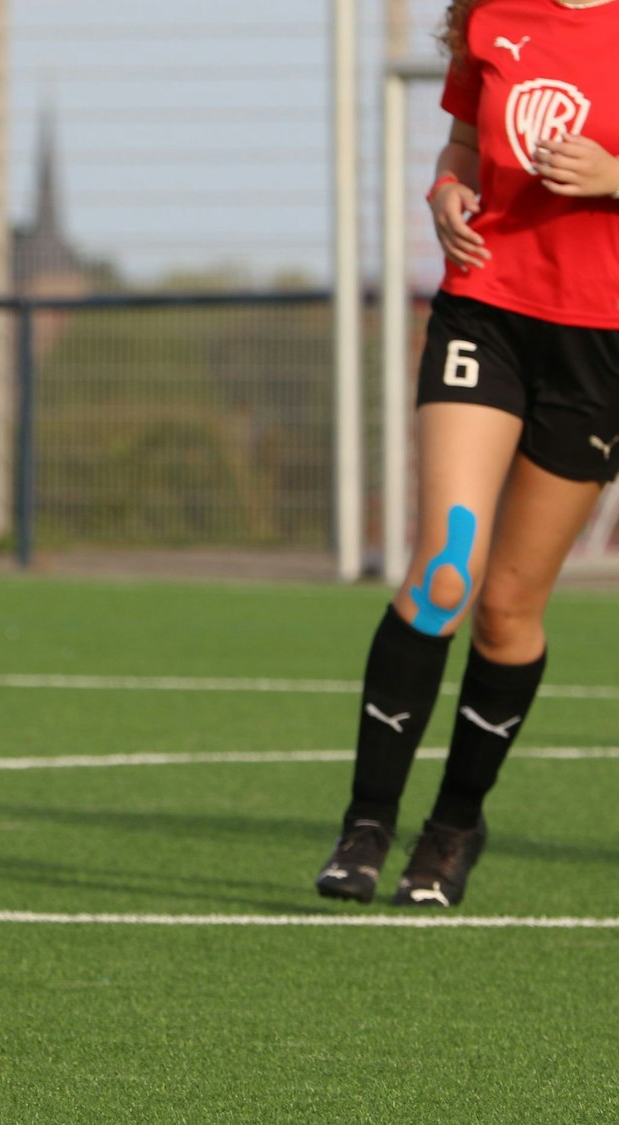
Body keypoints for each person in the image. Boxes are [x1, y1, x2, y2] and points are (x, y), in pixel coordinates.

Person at [315, 0, 619, 908]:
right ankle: (367, 823)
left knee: (509, 608)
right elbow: (461, 148)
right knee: (444, 571)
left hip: (599, 346)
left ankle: (453, 827)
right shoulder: (492, 14)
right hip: (485, 311)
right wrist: (446, 192)